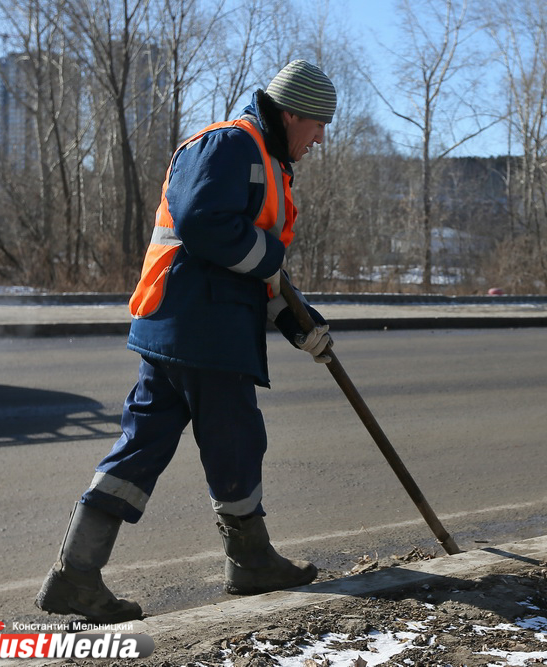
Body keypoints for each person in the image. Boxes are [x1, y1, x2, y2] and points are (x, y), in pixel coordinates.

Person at [35, 60, 337, 624]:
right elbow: (204, 225)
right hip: (202, 329)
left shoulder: (267, 161)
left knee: (142, 446)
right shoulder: (233, 146)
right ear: (291, 112)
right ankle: (249, 563)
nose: (320, 137)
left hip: (186, 327)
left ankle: (75, 574)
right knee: (237, 440)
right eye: (318, 123)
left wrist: (301, 324)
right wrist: (272, 261)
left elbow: (251, 265)